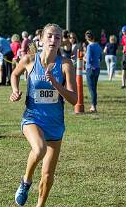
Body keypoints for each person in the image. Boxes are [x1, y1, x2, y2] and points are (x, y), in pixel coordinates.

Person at [10, 23, 77, 207]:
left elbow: (74, 99)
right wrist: (15, 91)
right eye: (49, 36)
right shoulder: (29, 60)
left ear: (61, 41)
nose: (53, 40)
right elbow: (14, 75)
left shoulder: (65, 65)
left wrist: (55, 83)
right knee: (39, 149)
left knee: (47, 175)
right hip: (32, 118)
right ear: (41, 39)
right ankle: (26, 181)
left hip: (55, 124)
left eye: (57, 37)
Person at [84, 30, 102, 112]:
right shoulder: (98, 46)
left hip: (90, 69)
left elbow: (88, 60)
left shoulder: (89, 47)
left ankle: (93, 106)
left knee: (91, 88)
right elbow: (100, 58)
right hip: (97, 68)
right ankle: (94, 105)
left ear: (86, 38)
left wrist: (81, 58)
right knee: (94, 88)